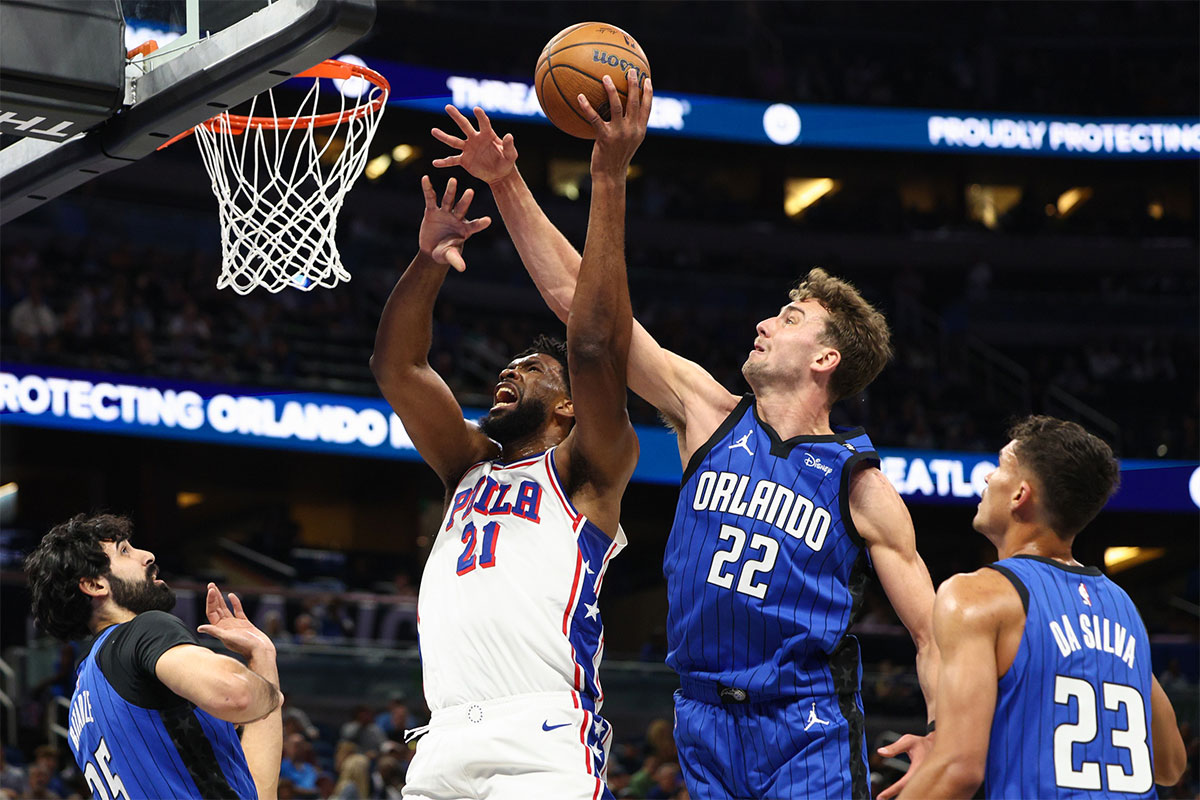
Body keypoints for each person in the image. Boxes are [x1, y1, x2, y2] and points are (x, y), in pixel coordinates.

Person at [431, 105, 940, 799]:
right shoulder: (707, 412)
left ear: (827, 356)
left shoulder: (859, 481)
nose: (763, 323)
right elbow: (583, 308)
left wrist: (948, 724)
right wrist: (507, 180)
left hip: (805, 724)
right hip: (700, 717)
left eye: (789, 318)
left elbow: (934, 633)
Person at [370, 70, 651, 799]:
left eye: (529, 371)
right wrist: (428, 262)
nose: (507, 374)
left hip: (543, 736)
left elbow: (591, 347)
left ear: (568, 410)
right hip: (440, 739)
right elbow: (397, 366)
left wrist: (607, 178)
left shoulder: (589, 469)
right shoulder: (466, 464)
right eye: (507, 367)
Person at [892, 416, 1187, 798]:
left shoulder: (977, 595)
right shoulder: (1123, 607)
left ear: (1020, 495)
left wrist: (947, 749)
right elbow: (1170, 764)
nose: (987, 478)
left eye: (999, 466)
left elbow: (958, 769)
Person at [23, 513, 283, 800]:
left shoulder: (79, 706)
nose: (147, 555)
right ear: (96, 585)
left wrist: (262, 657)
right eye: (124, 551)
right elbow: (235, 694)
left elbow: (257, 792)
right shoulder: (143, 630)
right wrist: (271, 695)